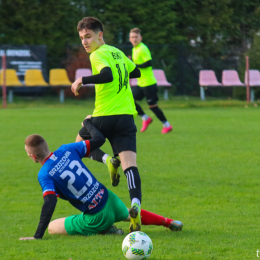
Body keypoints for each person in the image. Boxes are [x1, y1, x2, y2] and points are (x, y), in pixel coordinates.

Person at [19, 122, 183, 240]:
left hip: (96, 216)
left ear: (32, 156)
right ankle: (168, 222)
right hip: (109, 198)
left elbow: (49, 203)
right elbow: (99, 140)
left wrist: (37, 236)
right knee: (127, 213)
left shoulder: (45, 174)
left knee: (52, 227)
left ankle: (106, 230)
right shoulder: (66, 149)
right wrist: (88, 124)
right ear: (46, 145)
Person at [71, 17, 143, 232]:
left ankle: (106, 160)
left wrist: (80, 80)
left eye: (88, 37)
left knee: (78, 144)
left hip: (104, 116)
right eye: (82, 38)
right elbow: (136, 72)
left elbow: (107, 75)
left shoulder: (98, 54)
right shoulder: (117, 52)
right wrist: (123, 66)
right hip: (126, 117)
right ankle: (135, 207)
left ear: (99, 35)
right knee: (130, 166)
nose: (85, 42)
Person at [129, 28, 173, 134]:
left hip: (149, 83)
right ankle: (145, 118)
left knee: (153, 107)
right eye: (132, 37)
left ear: (141, 38)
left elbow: (149, 63)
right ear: (130, 39)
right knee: (130, 100)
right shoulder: (134, 49)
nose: (134, 39)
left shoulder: (142, 48)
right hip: (141, 83)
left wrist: (134, 65)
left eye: (136, 37)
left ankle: (167, 125)